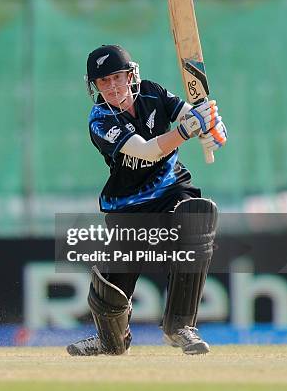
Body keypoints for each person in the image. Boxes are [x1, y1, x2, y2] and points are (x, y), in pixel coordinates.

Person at [66, 45, 227, 356]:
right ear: (94, 86)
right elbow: (149, 150)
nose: (112, 87)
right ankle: (109, 339)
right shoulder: (99, 119)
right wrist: (187, 130)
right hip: (128, 205)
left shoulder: (152, 92)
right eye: (103, 82)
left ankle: (180, 327)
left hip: (171, 190)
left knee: (197, 215)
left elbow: (188, 114)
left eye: (116, 77)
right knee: (110, 290)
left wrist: (212, 127)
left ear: (131, 75)